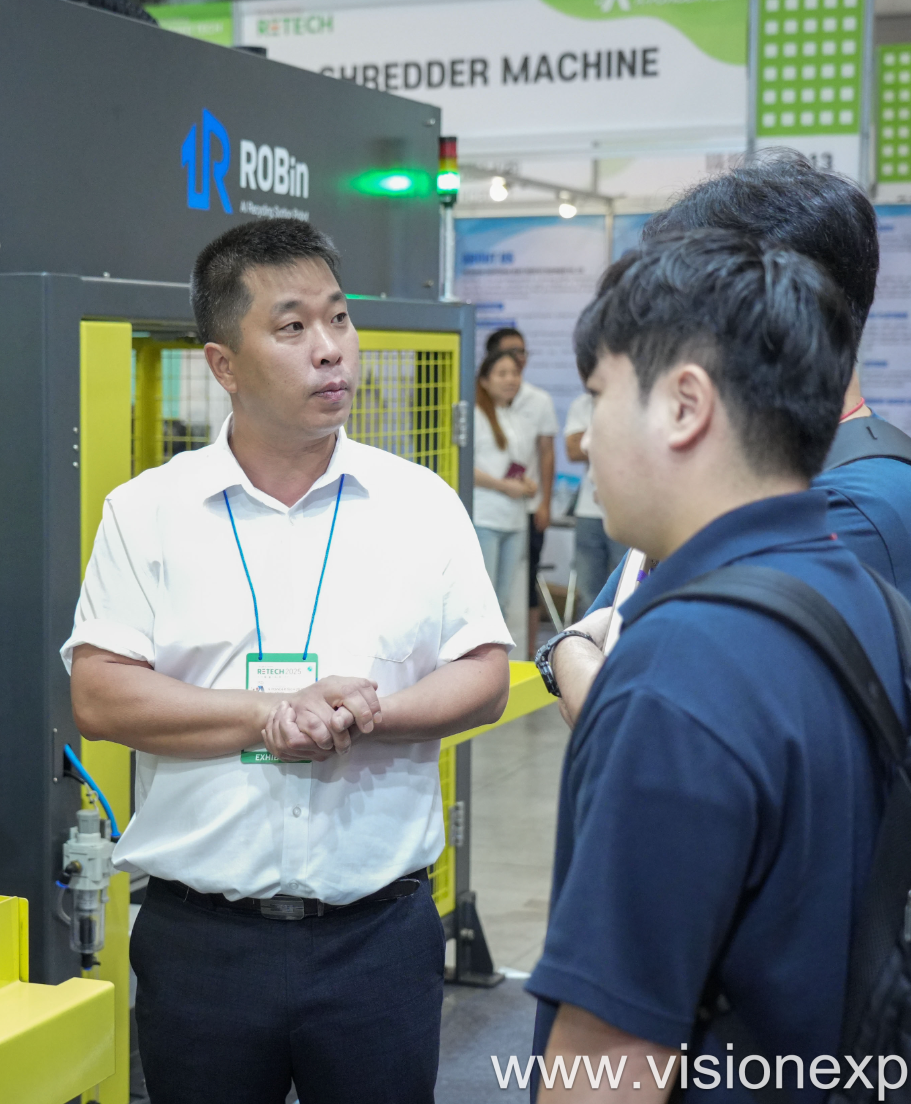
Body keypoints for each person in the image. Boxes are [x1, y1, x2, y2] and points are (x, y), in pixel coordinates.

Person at [62, 218, 513, 1104]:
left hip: (379, 940)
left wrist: (368, 714)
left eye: (339, 319)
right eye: (293, 326)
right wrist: (268, 716)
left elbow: (485, 673)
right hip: (204, 946)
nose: (330, 349)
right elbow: (100, 695)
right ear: (223, 364)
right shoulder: (147, 513)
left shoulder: (419, 504)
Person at [527, 230, 909, 1102]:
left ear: (684, 404)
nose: (587, 438)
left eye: (599, 396)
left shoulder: (678, 671)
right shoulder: (857, 594)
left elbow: (613, 1057)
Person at [570, 151, 911, 694]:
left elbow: (641, 694)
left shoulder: (855, 506)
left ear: (779, 299)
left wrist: (569, 651)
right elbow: (610, 628)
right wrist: (569, 647)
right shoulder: (758, 478)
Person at [486, 327, 559, 652]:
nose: (517, 363)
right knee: (488, 593)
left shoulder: (534, 401)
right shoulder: (480, 408)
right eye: (506, 364)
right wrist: (504, 485)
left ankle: (527, 656)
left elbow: (543, 454)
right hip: (489, 513)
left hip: (523, 510)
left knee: (518, 589)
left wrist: (542, 499)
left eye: (521, 354)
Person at [472, 348, 537, 634]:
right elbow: (465, 469)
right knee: (482, 601)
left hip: (515, 520)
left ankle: (498, 657)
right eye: (502, 374)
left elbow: (517, 466)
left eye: (515, 373)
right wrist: (503, 486)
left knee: (503, 602)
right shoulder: (475, 416)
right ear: (485, 380)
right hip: (485, 517)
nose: (511, 379)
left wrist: (527, 484)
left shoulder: (519, 420)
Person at [562, 391, 625, 609]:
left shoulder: (634, 398)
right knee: (589, 592)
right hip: (588, 512)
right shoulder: (582, 403)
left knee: (627, 588)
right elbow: (573, 450)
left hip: (626, 511)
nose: (588, 443)